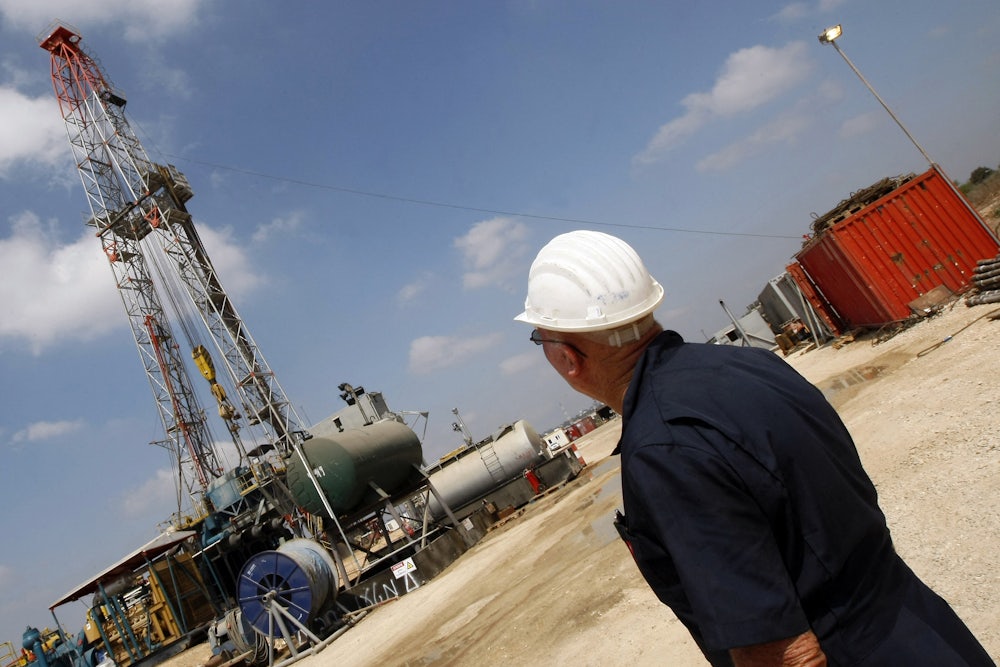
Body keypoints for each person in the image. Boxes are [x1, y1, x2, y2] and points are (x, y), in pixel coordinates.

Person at [515, 230, 993, 667]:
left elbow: (784, 653)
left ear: (567, 356)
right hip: (924, 626)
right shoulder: (750, 365)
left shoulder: (664, 448)